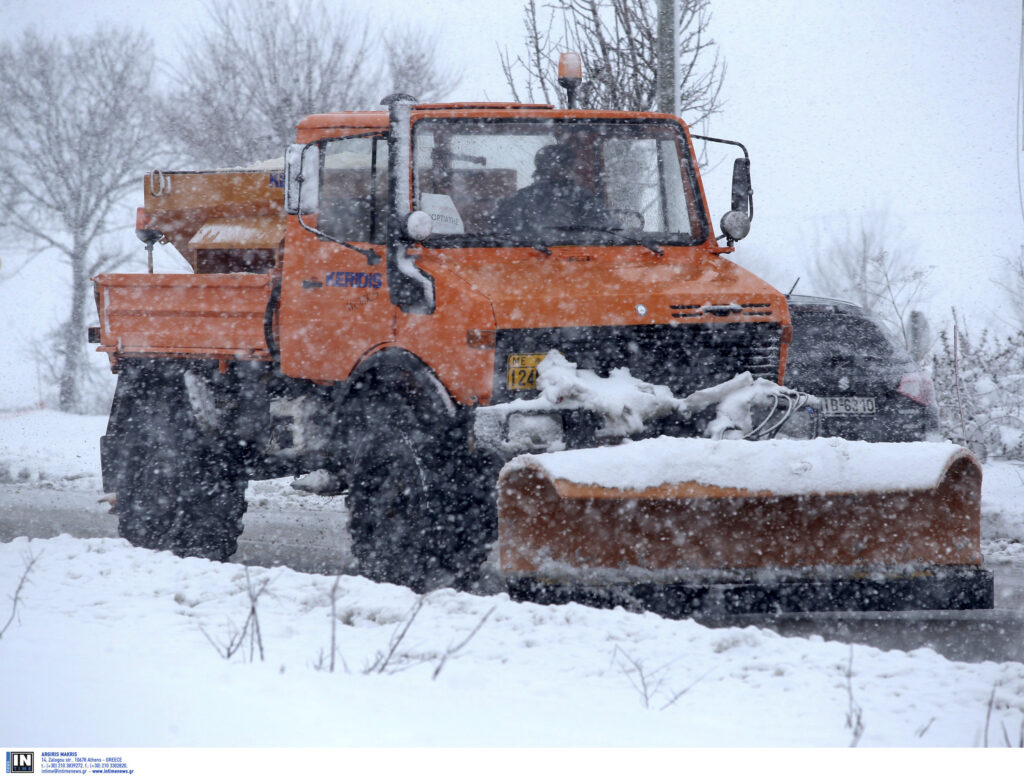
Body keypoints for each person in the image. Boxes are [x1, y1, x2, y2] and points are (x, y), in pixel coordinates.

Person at [490, 143, 610, 235]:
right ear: (544, 168)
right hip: (530, 257)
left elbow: (607, 230)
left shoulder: (585, 198)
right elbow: (503, 236)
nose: (565, 170)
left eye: (568, 166)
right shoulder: (519, 199)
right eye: (560, 166)